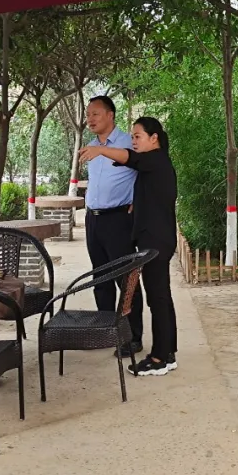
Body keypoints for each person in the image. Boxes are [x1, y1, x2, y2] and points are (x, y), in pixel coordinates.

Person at [79, 117, 179, 376]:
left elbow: (129, 158)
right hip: (156, 239)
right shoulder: (156, 164)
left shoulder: (155, 159)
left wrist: (100, 150)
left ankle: (159, 358)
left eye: (138, 136)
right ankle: (168, 352)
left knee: (158, 299)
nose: (133, 141)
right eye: (132, 136)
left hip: (156, 241)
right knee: (161, 298)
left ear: (154, 138)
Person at [81, 95, 144, 357]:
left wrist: (138, 202)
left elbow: (148, 172)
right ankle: (108, 332)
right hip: (93, 220)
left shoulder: (129, 143)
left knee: (126, 279)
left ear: (110, 115)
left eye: (95, 114)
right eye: (88, 115)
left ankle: (133, 337)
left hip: (118, 219)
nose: (90, 119)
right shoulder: (91, 147)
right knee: (101, 279)